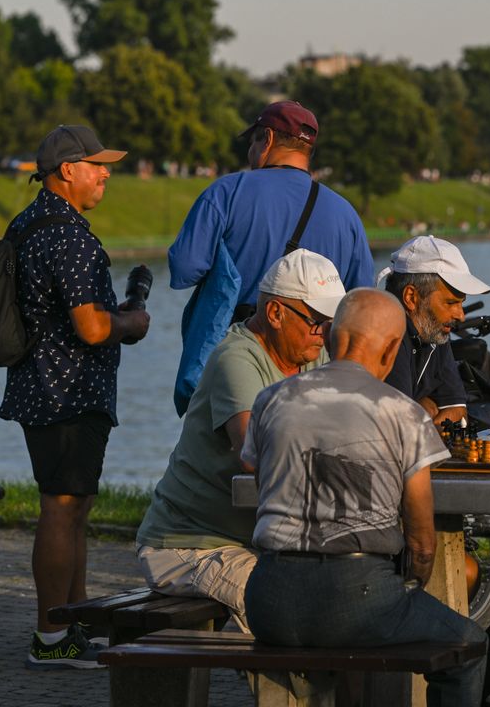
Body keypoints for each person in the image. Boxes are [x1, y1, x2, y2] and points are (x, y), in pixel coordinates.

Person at [241, 288, 486, 706]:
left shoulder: (272, 398)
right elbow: (423, 543)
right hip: (356, 597)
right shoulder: (403, 413)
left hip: (268, 601)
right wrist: (409, 587)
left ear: (333, 335)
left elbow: (256, 471)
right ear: (392, 350)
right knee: (469, 644)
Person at [0, 125, 150, 669]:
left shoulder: (29, 223)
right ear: (68, 171)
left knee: (75, 506)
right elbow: (90, 328)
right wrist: (132, 322)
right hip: (64, 394)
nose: (106, 172)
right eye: (97, 165)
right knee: (62, 508)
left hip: (43, 389)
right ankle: (51, 636)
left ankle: (76, 620)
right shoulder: (68, 235)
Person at [135, 249, 344, 630]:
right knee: (283, 602)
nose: (324, 334)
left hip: (254, 543)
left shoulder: (312, 354)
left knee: (346, 591)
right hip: (189, 545)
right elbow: (255, 452)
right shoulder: (237, 358)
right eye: (316, 321)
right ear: (276, 313)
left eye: (331, 323)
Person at [168, 100, 374, 414]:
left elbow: (183, 269)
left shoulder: (227, 192)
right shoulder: (346, 214)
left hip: (236, 356)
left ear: (267, 139)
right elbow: (361, 303)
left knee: (226, 453)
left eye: (252, 142)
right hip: (312, 362)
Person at [379, 235, 490, 425]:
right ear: (411, 297)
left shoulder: (433, 329)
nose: (461, 316)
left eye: (461, 303)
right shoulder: (388, 335)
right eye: (450, 303)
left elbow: (457, 411)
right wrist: (425, 408)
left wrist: (422, 409)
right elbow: (401, 428)